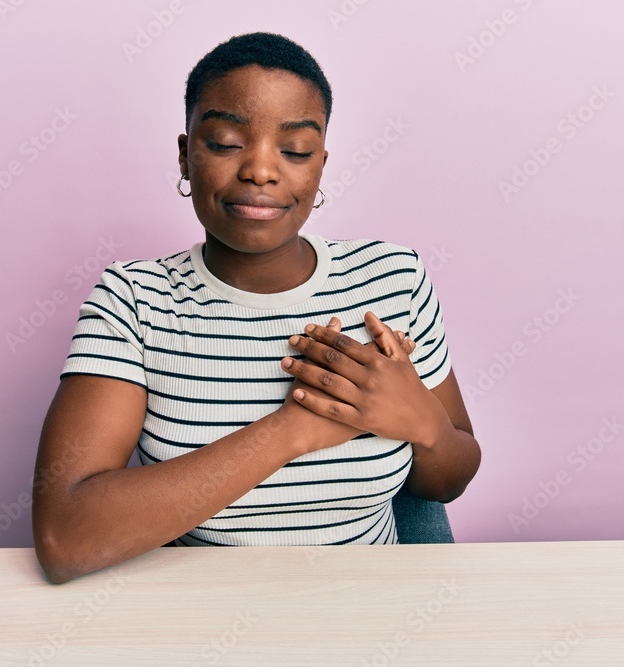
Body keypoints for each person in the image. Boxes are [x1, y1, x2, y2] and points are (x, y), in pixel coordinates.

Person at [31, 32, 481, 584]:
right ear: (185, 154)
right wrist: (293, 430)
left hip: (375, 613)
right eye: (224, 142)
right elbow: (66, 538)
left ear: (319, 166)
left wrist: (420, 421)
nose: (261, 171)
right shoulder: (134, 299)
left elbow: (449, 479)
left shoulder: (393, 278)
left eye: (294, 151)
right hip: (195, 619)